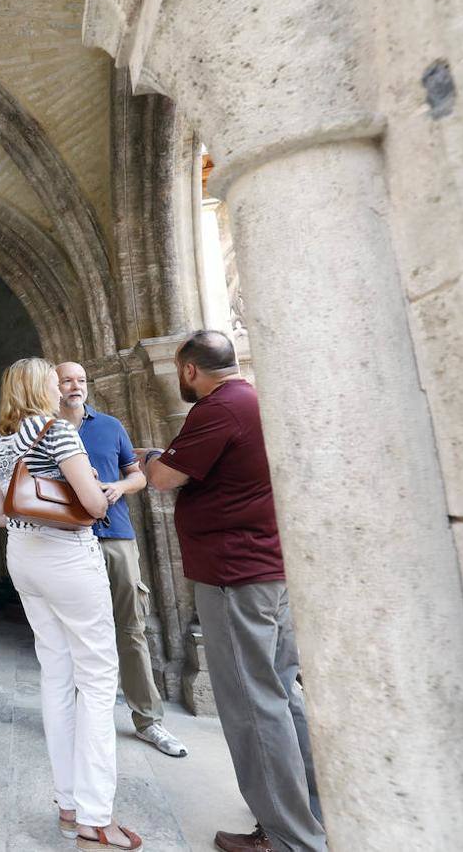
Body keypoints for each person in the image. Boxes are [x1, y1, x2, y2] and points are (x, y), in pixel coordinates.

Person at [139, 331, 325, 852]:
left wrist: (150, 456)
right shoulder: (256, 398)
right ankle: (311, 814)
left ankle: (287, 838)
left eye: (180, 372)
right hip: (267, 570)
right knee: (280, 693)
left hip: (234, 576)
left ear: (190, 370)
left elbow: (162, 478)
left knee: (250, 704)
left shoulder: (219, 409)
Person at [0, 358, 141, 851]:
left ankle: (69, 804)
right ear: (40, 387)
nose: (61, 388)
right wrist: (91, 481)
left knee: (56, 675)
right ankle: (96, 816)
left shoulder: (2, 441)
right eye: (54, 381)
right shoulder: (57, 431)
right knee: (96, 680)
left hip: (22, 556)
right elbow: (95, 506)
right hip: (66, 557)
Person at [56, 362, 188, 759]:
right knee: (74, 634)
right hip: (68, 541)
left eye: (80, 380)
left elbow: (139, 476)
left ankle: (149, 721)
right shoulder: (47, 430)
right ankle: (81, 721)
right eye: (66, 380)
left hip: (115, 537)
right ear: (54, 386)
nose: (75, 386)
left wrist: (118, 485)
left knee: (131, 629)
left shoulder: (110, 426)